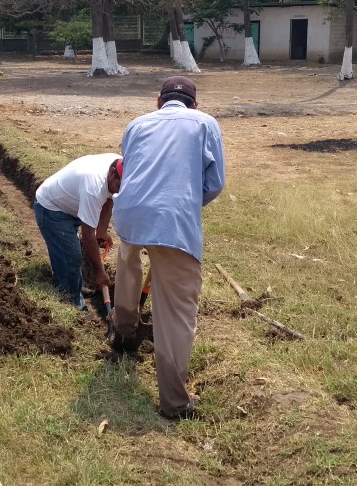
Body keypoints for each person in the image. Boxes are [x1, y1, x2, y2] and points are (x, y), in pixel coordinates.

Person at [111, 75, 226, 420]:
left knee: (128, 274)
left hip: (129, 214)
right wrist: (184, 204)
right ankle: (174, 402)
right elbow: (215, 183)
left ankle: (123, 334)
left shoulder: (136, 124)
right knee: (176, 310)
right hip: (173, 222)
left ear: (158, 102)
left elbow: (131, 169)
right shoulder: (205, 124)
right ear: (195, 104)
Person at [33, 153, 123, 310]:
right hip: (51, 208)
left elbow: (110, 197)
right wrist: (100, 272)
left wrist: (101, 231)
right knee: (71, 256)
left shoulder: (118, 167)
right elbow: (87, 234)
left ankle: (74, 285)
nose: (122, 189)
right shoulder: (94, 188)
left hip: (71, 203)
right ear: (111, 173)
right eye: (120, 185)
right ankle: (73, 303)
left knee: (71, 253)